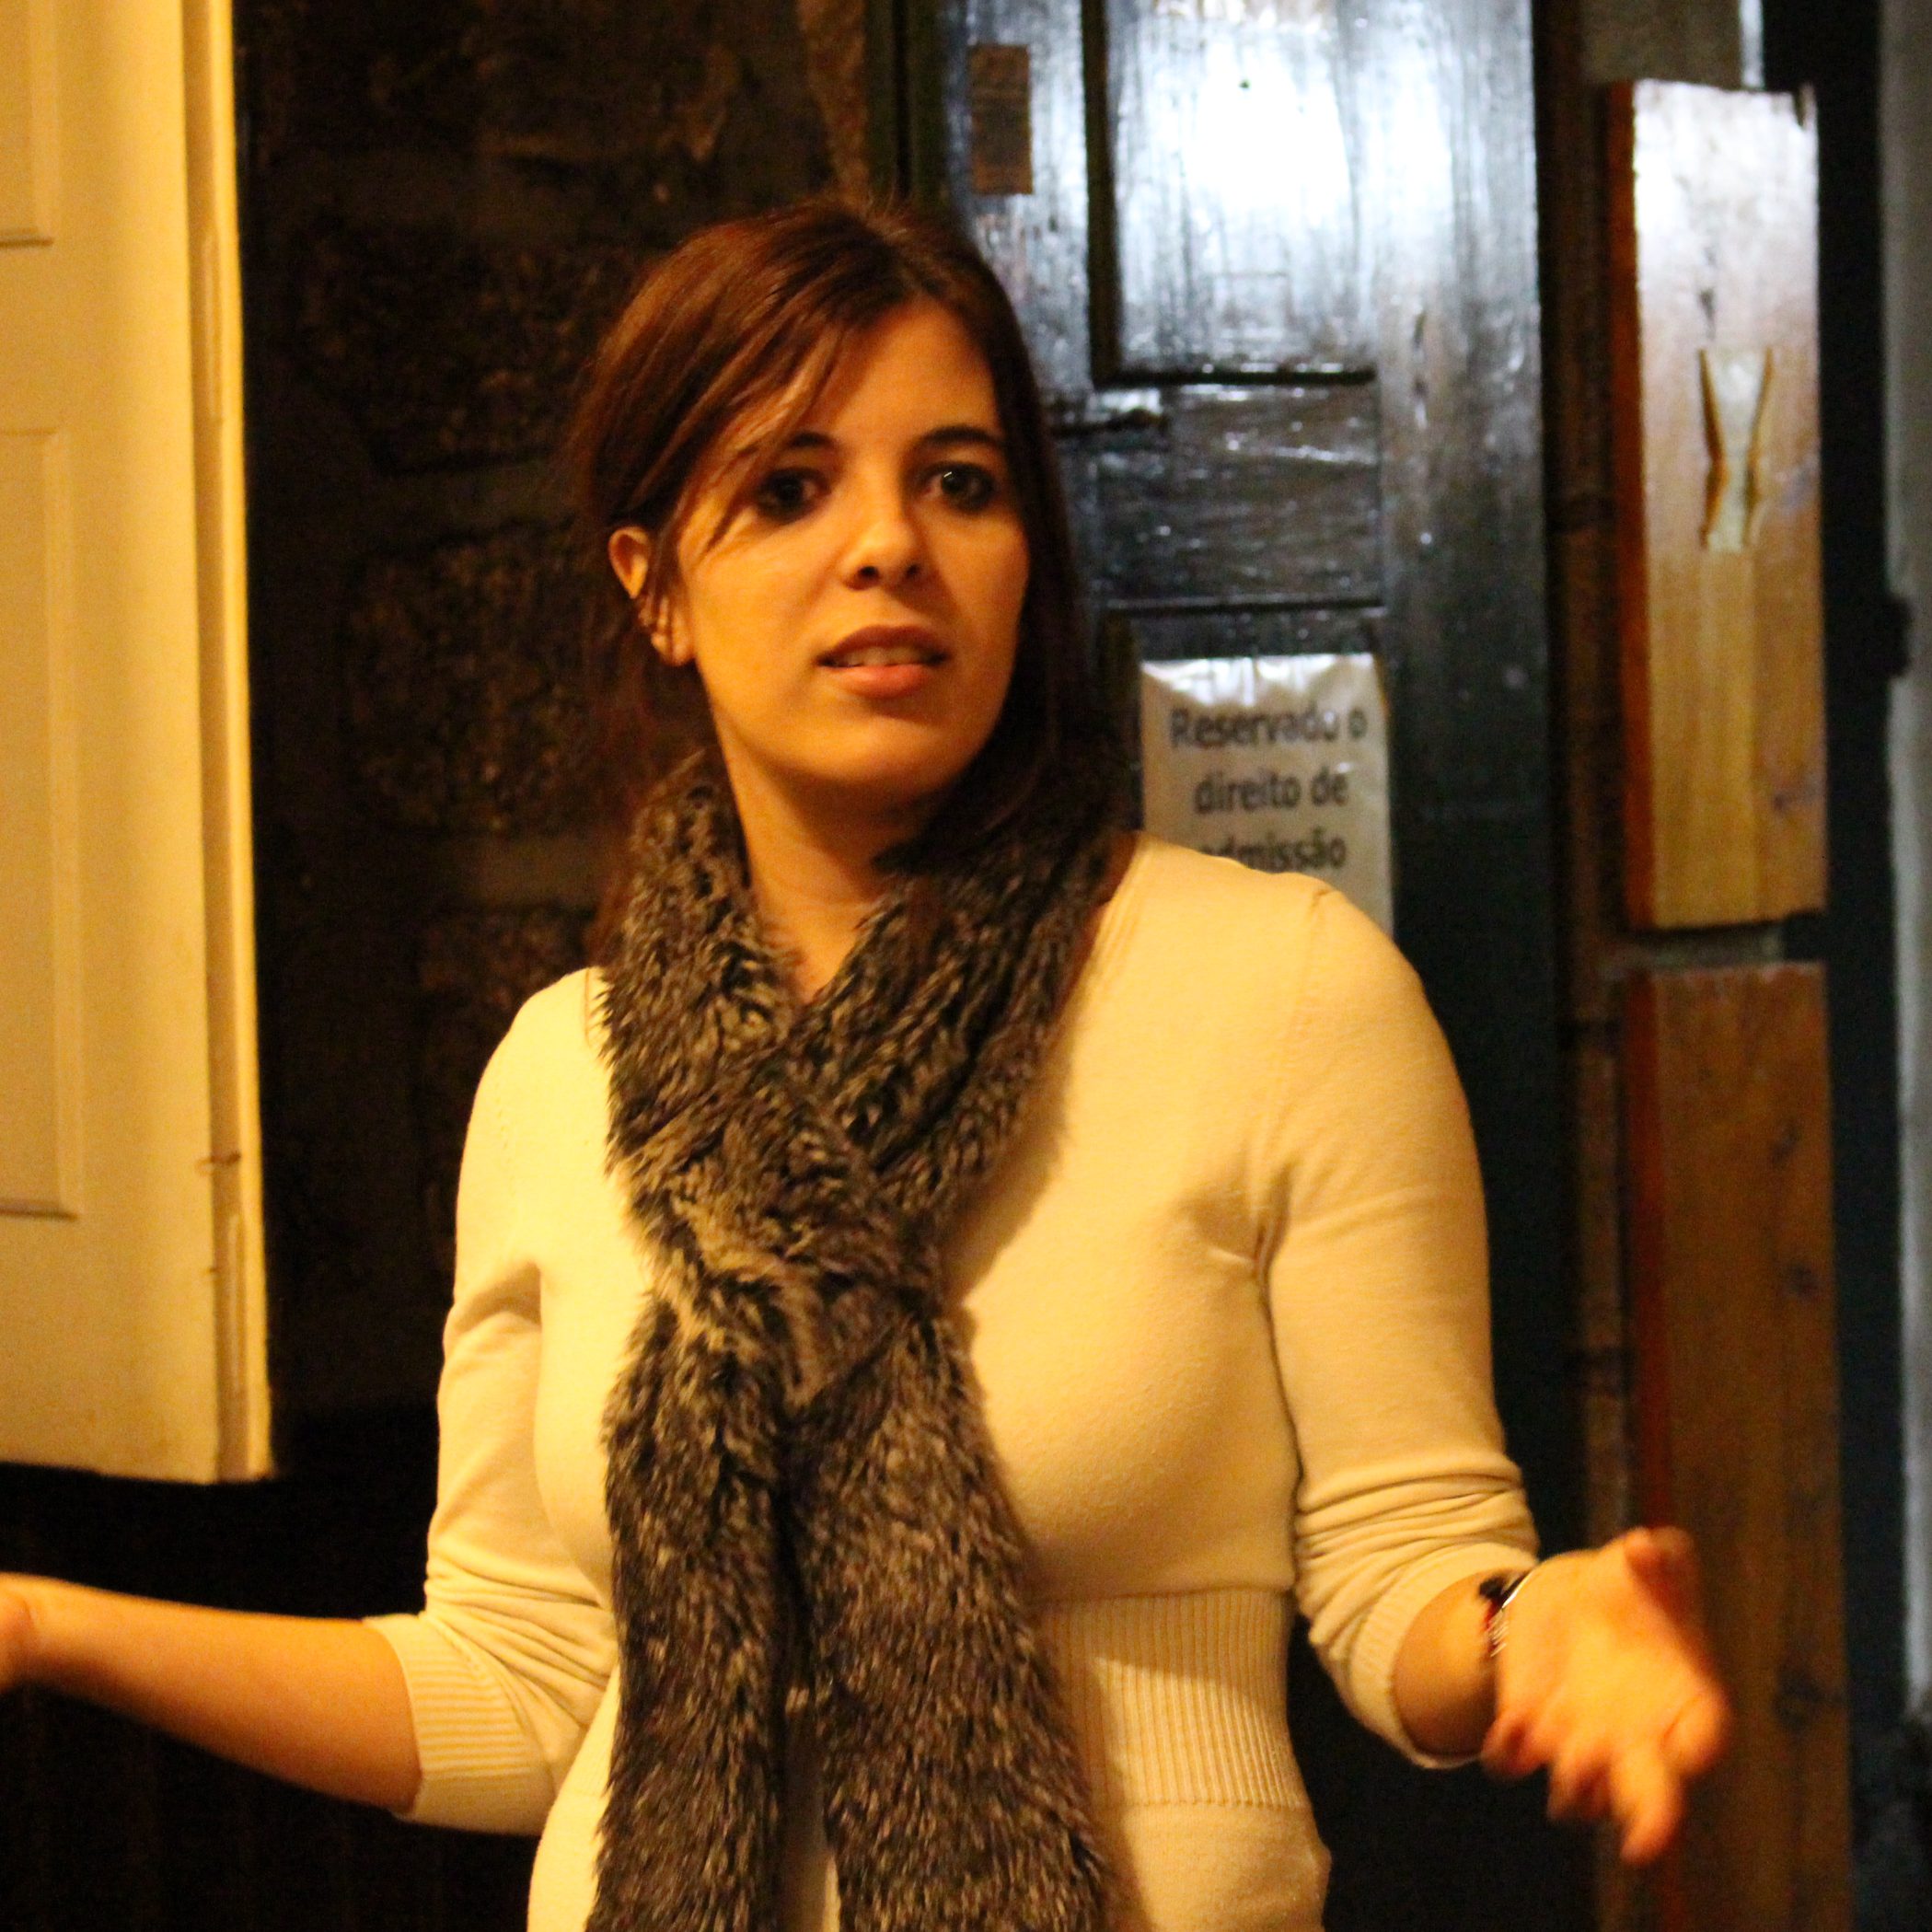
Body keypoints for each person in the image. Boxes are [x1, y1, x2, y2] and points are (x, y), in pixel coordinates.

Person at [0, 198, 1728, 1932]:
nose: (890, 544)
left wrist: (1531, 1628)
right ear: (655, 588)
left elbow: (1396, 1570)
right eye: (790, 489)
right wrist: (43, 1625)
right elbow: (521, 1682)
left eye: (959, 483)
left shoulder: (1277, 991)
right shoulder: (558, 1078)